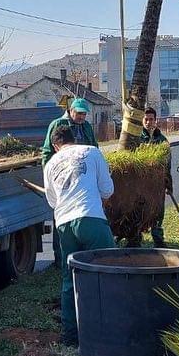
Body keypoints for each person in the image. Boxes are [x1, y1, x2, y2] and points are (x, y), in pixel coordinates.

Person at [43, 123, 116, 346]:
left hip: (64, 224)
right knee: (108, 270)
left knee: (70, 278)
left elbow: (52, 201)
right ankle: (108, 329)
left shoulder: (50, 164)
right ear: (73, 139)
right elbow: (107, 189)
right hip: (91, 217)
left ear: (56, 146)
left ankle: (71, 336)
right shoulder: (91, 152)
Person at [42, 98, 100, 272]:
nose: (82, 117)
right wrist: (50, 178)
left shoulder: (86, 126)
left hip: (83, 174)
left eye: (84, 114)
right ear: (71, 110)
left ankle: (84, 257)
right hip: (64, 177)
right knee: (63, 216)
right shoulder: (58, 124)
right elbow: (47, 152)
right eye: (79, 113)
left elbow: (94, 146)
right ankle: (61, 259)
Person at [138, 107, 170, 246]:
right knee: (139, 211)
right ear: (142, 120)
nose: (148, 122)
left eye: (151, 119)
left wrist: (168, 183)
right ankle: (135, 238)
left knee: (158, 211)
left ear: (155, 121)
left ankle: (158, 239)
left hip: (157, 183)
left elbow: (167, 164)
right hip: (140, 182)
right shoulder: (137, 139)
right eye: (146, 119)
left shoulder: (162, 140)